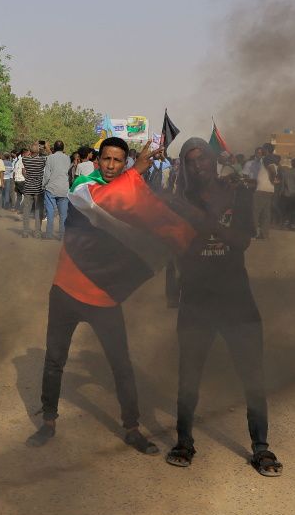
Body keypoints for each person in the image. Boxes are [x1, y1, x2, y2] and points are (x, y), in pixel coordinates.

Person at [26, 137, 194, 453]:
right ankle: (48, 422)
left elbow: (148, 213)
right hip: (66, 290)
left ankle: (131, 427)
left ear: (123, 161)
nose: (111, 166)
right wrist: (136, 172)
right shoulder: (84, 188)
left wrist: (181, 232)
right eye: (107, 159)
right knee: (54, 360)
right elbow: (104, 201)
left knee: (120, 364)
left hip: (104, 298)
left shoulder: (130, 187)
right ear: (98, 159)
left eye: (118, 161)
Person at [166, 137, 280, 477]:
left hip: (236, 300)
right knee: (189, 376)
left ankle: (261, 447)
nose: (197, 165)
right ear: (184, 167)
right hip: (196, 301)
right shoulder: (179, 201)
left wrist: (210, 222)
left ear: (214, 160)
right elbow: (173, 249)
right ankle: (184, 442)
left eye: (202, 159)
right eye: (190, 160)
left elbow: (242, 241)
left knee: (253, 377)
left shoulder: (237, 193)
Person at [41, 140, 71, 240]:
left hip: (51, 188)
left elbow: (47, 174)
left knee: (50, 212)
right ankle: (62, 236)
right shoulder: (68, 158)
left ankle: (49, 234)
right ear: (63, 148)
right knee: (63, 215)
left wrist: (43, 185)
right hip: (64, 188)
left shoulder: (50, 158)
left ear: (54, 148)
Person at [20, 144, 45, 237]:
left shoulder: (25, 159)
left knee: (26, 210)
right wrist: (40, 149)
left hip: (28, 188)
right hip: (38, 189)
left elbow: (25, 156)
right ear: (38, 151)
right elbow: (47, 155)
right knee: (38, 210)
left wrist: (32, 149)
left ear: (30, 151)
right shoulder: (42, 160)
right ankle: (37, 232)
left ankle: (25, 232)